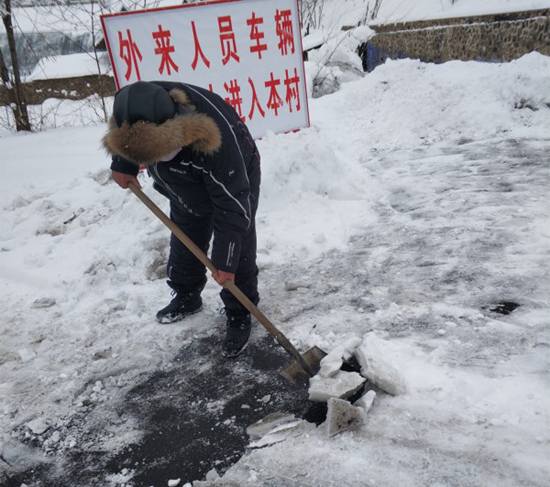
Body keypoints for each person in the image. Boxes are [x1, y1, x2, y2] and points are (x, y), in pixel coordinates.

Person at [102, 80, 261, 358]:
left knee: (238, 244)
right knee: (187, 227)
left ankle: (239, 310)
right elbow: (127, 136)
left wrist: (225, 261)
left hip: (235, 178)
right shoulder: (137, 107)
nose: (153, 161)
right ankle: (186, 294)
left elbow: (232, 207)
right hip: (181, 181)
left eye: (156, 155)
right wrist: (123, 163)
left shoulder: (213, 141)